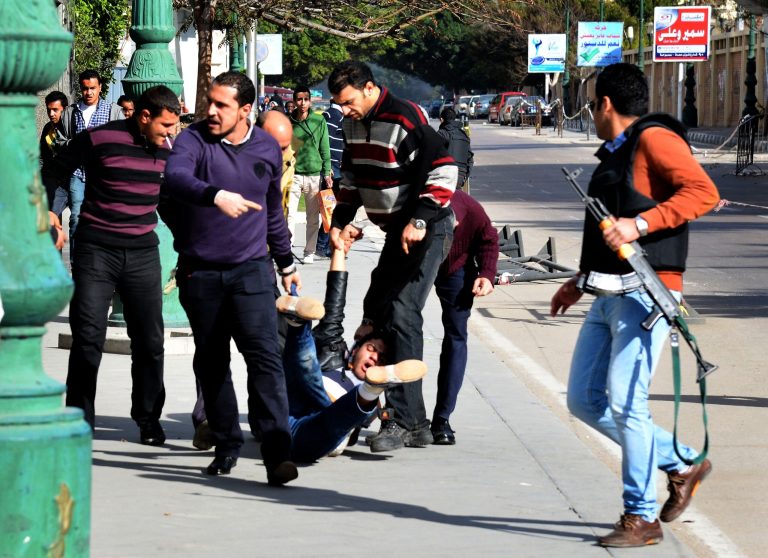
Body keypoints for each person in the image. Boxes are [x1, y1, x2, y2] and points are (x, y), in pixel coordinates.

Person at [549, 63, 719, 548]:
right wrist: (577, 282)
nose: (592, 114)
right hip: (607, 291)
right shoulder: (618, 151)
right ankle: (681, 461)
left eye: (591, 105)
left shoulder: (654, 139)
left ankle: (641, 518)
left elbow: (704, 193)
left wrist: (640, 225)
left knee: (627, 404)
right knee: (584, 401)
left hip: (646, 292)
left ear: (605, 104)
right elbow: (606, 226)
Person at [163, 71, 300, 486]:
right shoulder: (193, 140)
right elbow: (176, 178)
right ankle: (226, 445)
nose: (211, 110)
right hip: (200, 272)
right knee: (212, 360)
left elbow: (272, 211)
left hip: (252, 270)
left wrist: (286, 263)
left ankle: (277, 453)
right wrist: (215, 195)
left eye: (221, 105)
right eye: (210, 101)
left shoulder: (266, 148)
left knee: (264, 358)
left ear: (245, 110)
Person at [327, 60, 457, 453]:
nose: (344, 110)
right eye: (339, 104)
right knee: (380, 311)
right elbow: (352, 179)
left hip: (427, 229)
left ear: (369, 88)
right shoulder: (352, 125)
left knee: (402, 312)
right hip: (395, 232)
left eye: (348, 101)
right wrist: (341, 221)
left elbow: (445, 169)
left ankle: (402, 420)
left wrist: (419, 219)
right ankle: (411, 422)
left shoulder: (404, 117)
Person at [42, 86, 180, 442]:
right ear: (144, 116)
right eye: (166, 125)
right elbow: (54, 170)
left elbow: (166, 200)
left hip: (142, 254)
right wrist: (50, 211)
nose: (170, 133)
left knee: (150, 341)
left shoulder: (168, 149)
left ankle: (148, 419)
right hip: (96, 252)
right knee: (88, 337)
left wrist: (189, 242)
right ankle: (79, 419)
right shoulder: (99, 138)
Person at [431, 190, 498, 445]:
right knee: (402, 328)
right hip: (415, 263)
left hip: (455, 268)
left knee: (456, 336)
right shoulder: (415, 203)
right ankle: (398, 417)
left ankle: (442, 418)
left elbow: (489, 238)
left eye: (453, 225)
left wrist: (487, 274)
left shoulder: (470, 208)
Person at [54, 70, 124, 257]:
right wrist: (76, 146)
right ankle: (78, 266)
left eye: (93, 88)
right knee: (77, 218)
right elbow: (60, 141)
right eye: (85, 88)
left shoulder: (113, 111)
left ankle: (102, 263)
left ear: (100, 87)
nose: (89, 92)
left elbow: (124, 141)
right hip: (78, 174)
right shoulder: (71, 112)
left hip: (104, 177)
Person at [287, 85, 333, 263]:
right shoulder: (288, 122)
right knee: (289, 214)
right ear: (294, 101)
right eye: (299, 99)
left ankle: (309, 252)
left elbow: (325, 147)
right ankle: (287, 248)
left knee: (313, 217)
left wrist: (327, 172)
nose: (303, 103)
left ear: (310, 101)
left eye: (306, 99)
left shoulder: (319, 121)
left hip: (314, 174)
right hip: (293, 174)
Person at [315, 100, 345, 258]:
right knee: (331, 209)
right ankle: (322, 245)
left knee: (332, 209)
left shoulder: (331, 115)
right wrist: (330, 166)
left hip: (333, 168)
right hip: (333, 170)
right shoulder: (335, 116)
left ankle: (325, 244)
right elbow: (327, 142)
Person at [40, 90, 69, 218]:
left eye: (55, 110)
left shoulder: (71, 128)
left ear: (65, 109)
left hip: (68, 179)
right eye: (49, 110)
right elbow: (42, 154)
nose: (51, 114)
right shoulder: (48, 128)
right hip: (50, 178)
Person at [437, 107, 473, 191]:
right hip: (460, 177)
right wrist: (464, 178)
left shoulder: (441, 133)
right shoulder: (464, 135)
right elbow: (470, 160)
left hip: (445, 175)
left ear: (441, 120)